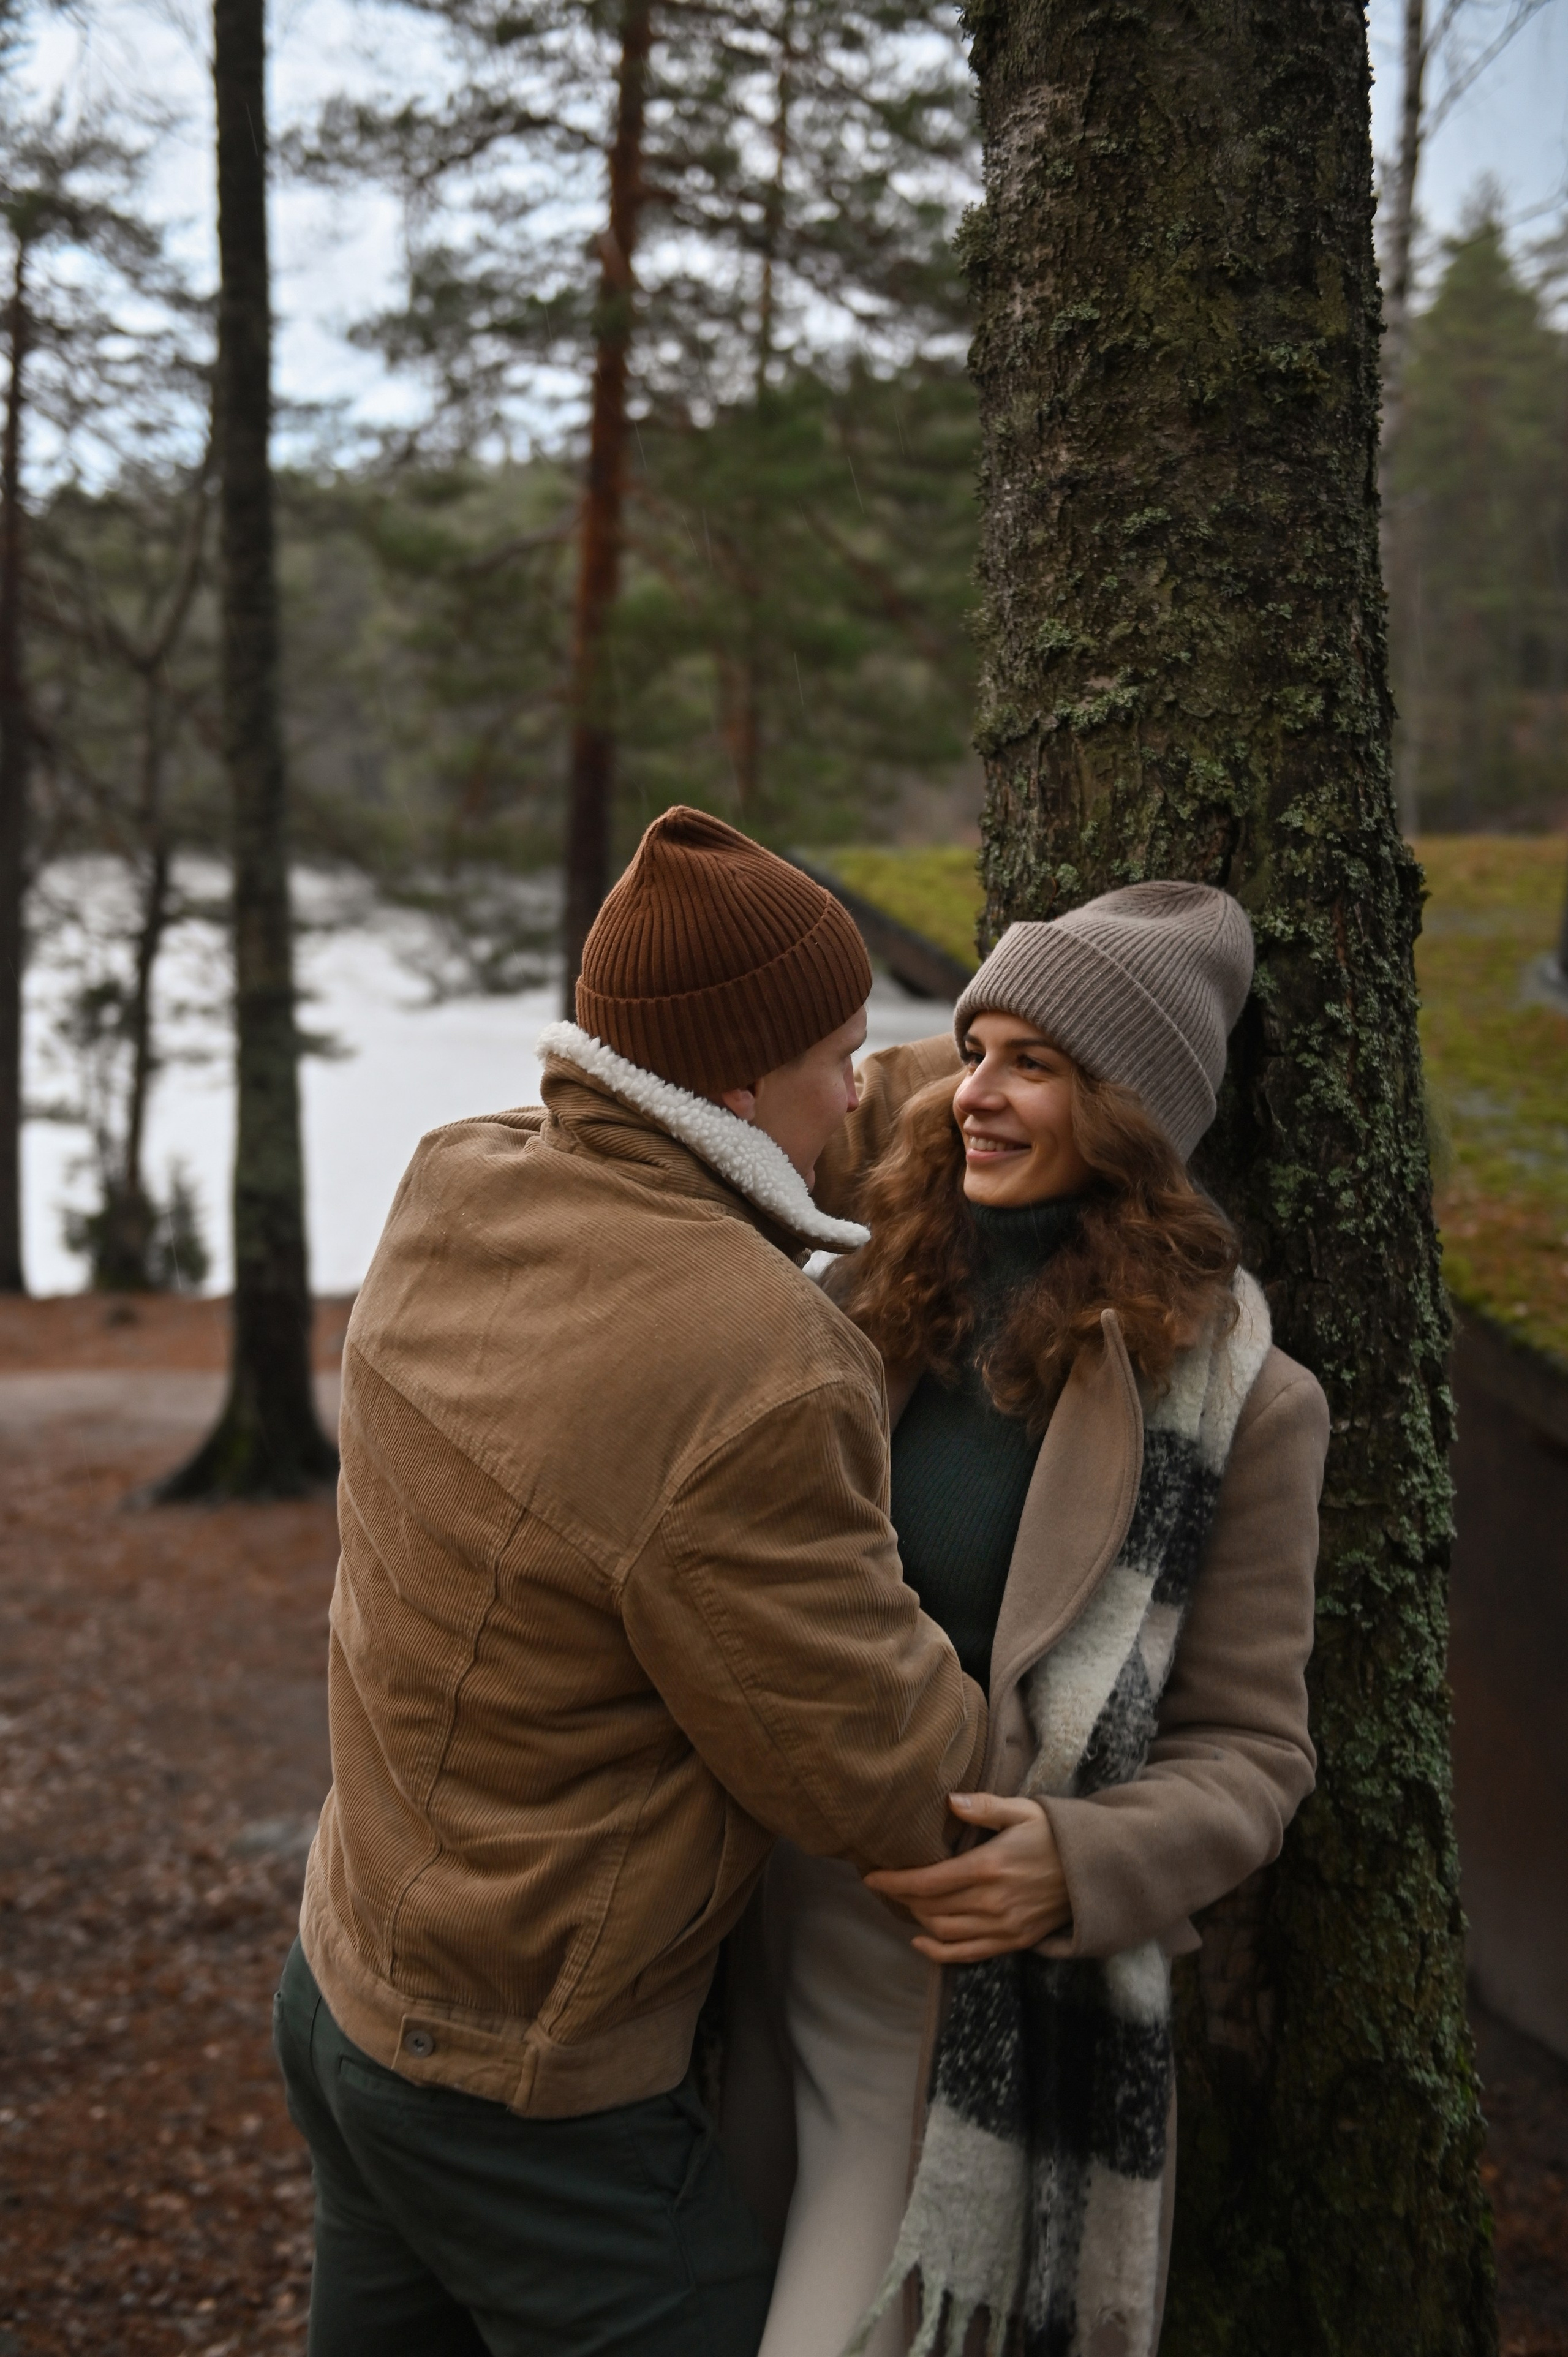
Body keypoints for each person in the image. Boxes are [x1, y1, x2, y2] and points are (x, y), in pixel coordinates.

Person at [273, 806, 989, 2357]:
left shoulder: (462, 1180)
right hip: (527, 2095)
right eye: (843, 1051)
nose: (857, 1082)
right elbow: (883, 1774)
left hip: (344, 1988)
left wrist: (997, 1044)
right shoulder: (753, 1364)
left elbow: (769, 1136)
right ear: (739, 1081)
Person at [728, 882, 1329, 2357]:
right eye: (972, 1047)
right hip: (734, 1925)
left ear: (1126, 1109)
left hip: (944, 1987)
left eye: (1029, 1065)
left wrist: (1080, 1862)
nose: (971, 1093)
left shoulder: (1242, 1403)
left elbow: (1253, 1752)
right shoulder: (859, 1279)